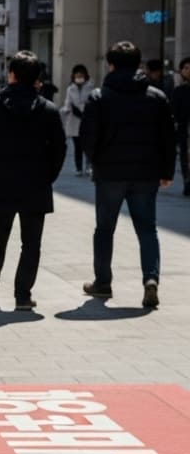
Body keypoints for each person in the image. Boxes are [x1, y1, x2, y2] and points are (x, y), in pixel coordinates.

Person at [80, 40, 177, 308]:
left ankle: (103, 282)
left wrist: (95, 160)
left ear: (111, 64)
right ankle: (150, 279)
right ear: (138, 65)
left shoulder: (100, 96)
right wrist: (166, 171)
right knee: (147, 229)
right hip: (146, 174)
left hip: (109, 174)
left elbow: (88, 137)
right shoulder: (156, 97)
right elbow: (169, 139)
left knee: (104, 230)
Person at [0, 50, 66, 310]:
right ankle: (23, 295)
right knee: (31, 243)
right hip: (36, 186)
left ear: (12, 75)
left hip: (3, 183)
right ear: (37, 78)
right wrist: (48, 176)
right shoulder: (48, 110)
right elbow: (59, 149)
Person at [62, 64, 95, 176]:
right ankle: (79, 168)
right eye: (77, 75)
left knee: (88, 145)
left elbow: (93, 103)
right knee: (78, 146)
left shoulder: (91, 87)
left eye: (81, 75)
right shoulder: (70, 88)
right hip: (74, 120)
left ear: (85, 75)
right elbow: (67, 103)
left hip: (87, 119)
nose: (79, 77)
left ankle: (88, 167)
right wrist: (66, 110)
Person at [174, 58, 190, 196]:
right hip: (184, 130)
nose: (188, 70)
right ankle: (187, 182)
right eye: (185, 68)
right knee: (185, 157)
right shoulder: (179, 91)